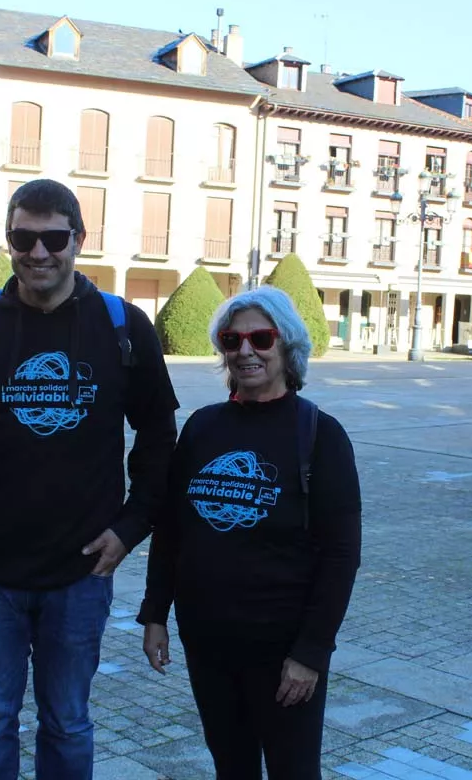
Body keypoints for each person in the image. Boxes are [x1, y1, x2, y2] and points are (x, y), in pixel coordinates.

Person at [0, 178, 179, 779]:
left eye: (54, 238)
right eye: (25, 238)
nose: (40, 252)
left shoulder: (123, 327)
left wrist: (129, 529)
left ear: (79, 239)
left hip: (79, 571)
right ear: (9, 242)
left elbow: (158, 439)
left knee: (68, 721)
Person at [138, 286, 362, 780]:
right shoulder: (202, 427)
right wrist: (155, 612)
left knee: (293, 771)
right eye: (231, 339)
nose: (245, 350)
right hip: (209, 642)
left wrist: (310, 653)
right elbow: (172, 528)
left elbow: (341, 556)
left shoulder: (321, 435)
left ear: (287, 347)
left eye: (261, 338)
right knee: (232, 767)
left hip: (282, 649)